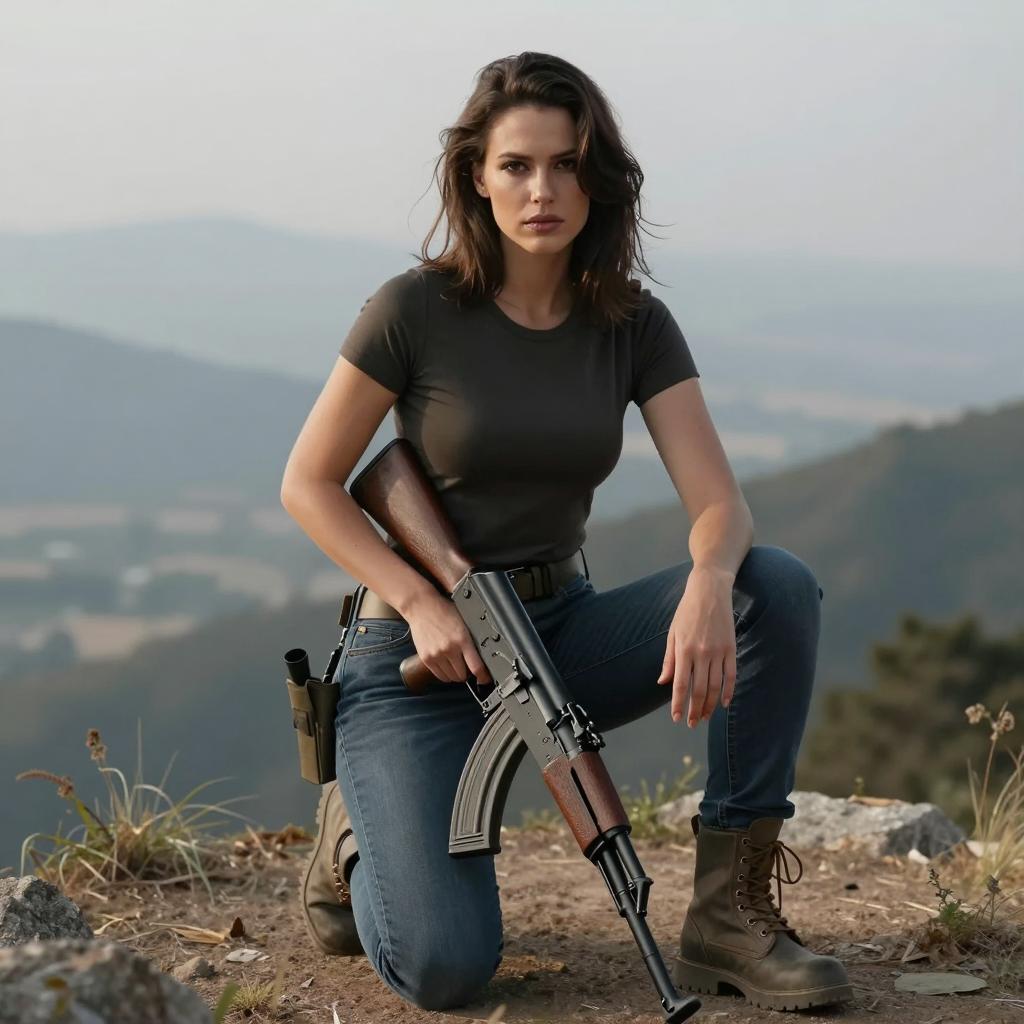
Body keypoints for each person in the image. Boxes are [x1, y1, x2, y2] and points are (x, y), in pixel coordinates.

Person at [280, 51, 852, 1015]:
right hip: (416, 664)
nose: (542, 189)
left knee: (773, 583)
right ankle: (354, 833)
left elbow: (720, 502)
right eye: (516, 165)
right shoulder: (414, 309)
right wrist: (421, 601)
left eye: (566, 164)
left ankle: (729, 916)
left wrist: (710, 579)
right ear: (477, 176)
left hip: (555, 636)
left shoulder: (632, 323)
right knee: (448, 969)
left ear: (599, 180)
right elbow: (310, 484)